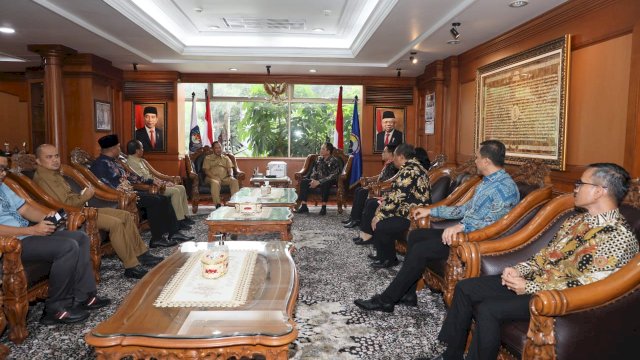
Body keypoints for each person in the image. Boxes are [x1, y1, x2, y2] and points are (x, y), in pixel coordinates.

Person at [433, 163, 638, 360]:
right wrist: (517, 269)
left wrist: (530, 286)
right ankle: (450, 354)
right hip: (535, 282)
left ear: (599, 191)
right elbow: (545, 255)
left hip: (556, 298)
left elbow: (589, 285)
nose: (575, 189)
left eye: (580, 184)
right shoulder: (576, 220)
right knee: (466, 287)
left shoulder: (619, 237)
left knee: (489, 309)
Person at [354, 139, 520, 311]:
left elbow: (495, 224)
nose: (475, 160)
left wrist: (462, 227)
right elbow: (463, 209)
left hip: (475, 241)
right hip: (464, 233)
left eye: (477, 157)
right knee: (417, 235)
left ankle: (386, 300)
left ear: (486, 161)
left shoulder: (504, 188)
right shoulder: (487, 182)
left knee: (421, 249)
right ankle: (409, 293)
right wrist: (430, 211)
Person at [0, 151, 111, 325]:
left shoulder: (3, 186)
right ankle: (56, 308)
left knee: (80, 237)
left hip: (26, 234)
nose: (4, 173)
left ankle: (84, 296)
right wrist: (33, 231)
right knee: (67, 246)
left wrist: (46, 216)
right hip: (11, 243)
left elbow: (25, 210)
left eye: (4, 169)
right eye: (0, 169)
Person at [33, 144, 163, 279]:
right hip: (72, 214)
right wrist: (85, 196)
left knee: (125, 215)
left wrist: (83, 197)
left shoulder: (53, 172)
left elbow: (69, 198)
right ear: (38, 161)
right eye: (49, 157)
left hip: (81, 208)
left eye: (56, 156)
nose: (54, 160)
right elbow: (65, 205)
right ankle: (131, 267)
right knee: (116, 223)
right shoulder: (44, 177)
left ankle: (141, 254)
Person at [91, 134, 192, 248]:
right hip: (119, 197)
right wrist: (125, 193)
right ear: (113, 149)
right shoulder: (100, 165)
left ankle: (173, 233)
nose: (120, 149)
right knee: (156, 201)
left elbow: (132, 176)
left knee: (163, 198)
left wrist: (150, 181)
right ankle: (157, 239)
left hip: (131, 192)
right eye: (118, 147)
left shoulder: (116, 161)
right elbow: (105, 187)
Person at [368, 143, 432, 268]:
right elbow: (398, 193)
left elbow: (398, 197)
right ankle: (382, 255)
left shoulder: (409, 171)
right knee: (378, 213)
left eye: (395, 157)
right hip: (406, 209)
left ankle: (389, 259)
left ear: (401, 157)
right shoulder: (413, 167)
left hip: (412, 215)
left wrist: (380, 215)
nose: (394, 160)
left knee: (381, 224)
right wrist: (383, 204)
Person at [125, 140, 194, 228]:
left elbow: (156, 174)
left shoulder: (142, 161)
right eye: (142, 148)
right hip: (149, 188)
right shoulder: (130, 164)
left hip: (156, 184)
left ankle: (184, 217)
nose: (143, 150)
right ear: (137, 151)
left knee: (181, 188)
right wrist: (162, 184)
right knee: (175, 191)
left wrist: (168, 180)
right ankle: (178, 221)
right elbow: (141, 181)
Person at [343, 144, 398, 228]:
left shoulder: (394, 166)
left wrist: (372, 186)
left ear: (391, 153)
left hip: (383, 189)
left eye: (384, 152)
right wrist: (368, 179)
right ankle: (353, 217)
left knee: (361, 191)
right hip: (378, 186)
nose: (382, 153)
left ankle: (357, 219)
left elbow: (388, 182)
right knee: (358, 190)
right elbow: (380, 176)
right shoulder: (388, 164)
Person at [297, 142, 341, 216]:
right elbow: (314, 171)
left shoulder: (334, 160)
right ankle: (304, 206)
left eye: (323, 149)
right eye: (321, 148)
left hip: (328, 181)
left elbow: (334, 175)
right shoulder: (319, 159)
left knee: (325, 183)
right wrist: (313, 180)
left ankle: (323, 207)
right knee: (304, 182)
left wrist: (319, 182)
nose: (321, 150)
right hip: (316, 180)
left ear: (328, 151)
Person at [202, 141, 239, 208]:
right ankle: (218, 205)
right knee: (215, 182)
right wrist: (214, 177)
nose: (218, 149)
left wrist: (231, 176)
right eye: (216, 148)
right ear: (212, 149)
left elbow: (230, 168)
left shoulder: (226, 158)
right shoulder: (208, 158)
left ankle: (234, 203)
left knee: (234, 181)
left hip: (224, 178)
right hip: (211, 178)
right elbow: (206, 171)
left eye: (219, 148)